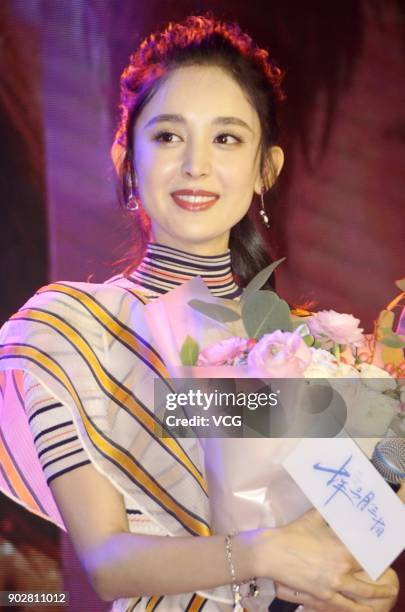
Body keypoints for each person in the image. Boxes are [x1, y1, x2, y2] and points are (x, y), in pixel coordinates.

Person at [0, 15, 400, 612]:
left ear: (267, 169)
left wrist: (369, 586)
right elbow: (109, 560)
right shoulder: (67, 329)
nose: (196, 165)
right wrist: (262, 553)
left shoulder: (299, 348)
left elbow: (346, 541)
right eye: (167, 136)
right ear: (124, 159)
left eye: (227, 138)